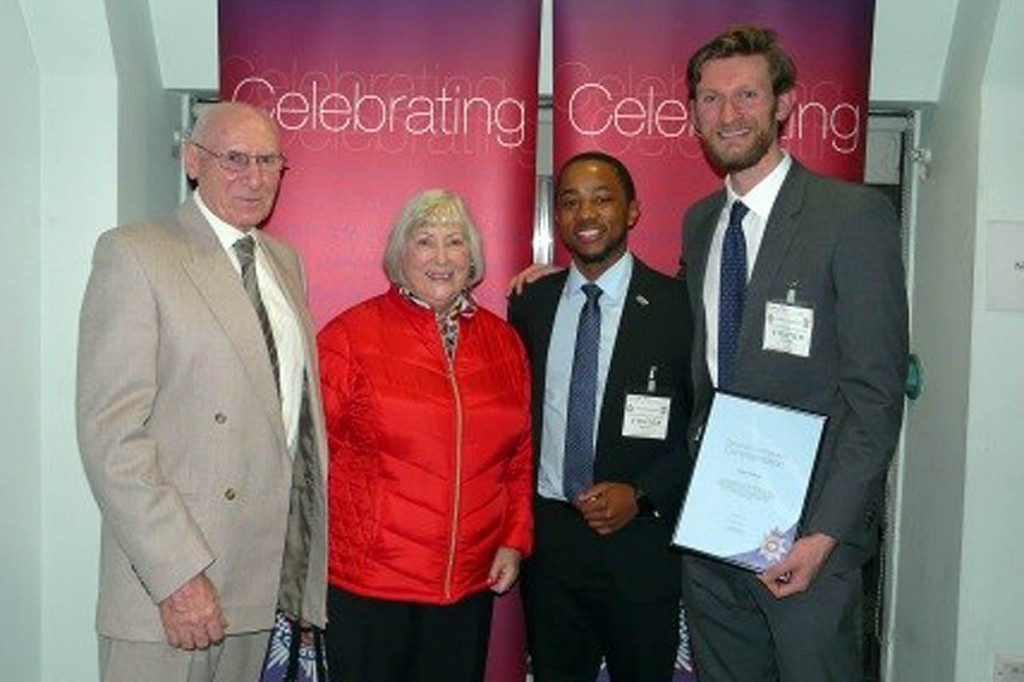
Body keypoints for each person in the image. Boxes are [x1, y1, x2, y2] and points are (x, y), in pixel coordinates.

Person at [678, 25, 909, 681]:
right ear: (694, 112)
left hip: (808, 540)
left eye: (747, 95)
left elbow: (875, 396)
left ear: (783, 103)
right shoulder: (701, 223)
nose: (728, 114)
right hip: (715, 529)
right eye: (711, 98)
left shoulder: (851, 216)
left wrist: (825, 535)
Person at [76, 101, 329, 681]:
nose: (255, 177)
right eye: (234, 159)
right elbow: (111, 436)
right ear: (193, 161)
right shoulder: (136, 253)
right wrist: (178, 575)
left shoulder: (284, 263)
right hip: (170, 588)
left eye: (268, 161)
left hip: (257, 584)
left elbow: (288, 429)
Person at [317, 189, 533, 682]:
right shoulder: (347, 337)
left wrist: (513, 540)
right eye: (425, 241)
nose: (441, 258)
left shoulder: (504, 343)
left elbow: (520, 456)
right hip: (370, 587)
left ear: (472, 257)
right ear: (401, 254)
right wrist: (303, 576)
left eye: (455, 242)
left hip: (466, 586)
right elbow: (308, 464)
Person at [508, 151, 692, 681]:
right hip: (551, 546)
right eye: (570, 202)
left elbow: (703, 426)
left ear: (632, 211)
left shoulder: (679, 307)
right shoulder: (531, 303)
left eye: (602, 199)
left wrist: (643, 494)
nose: (585, 214)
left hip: (641, 545)